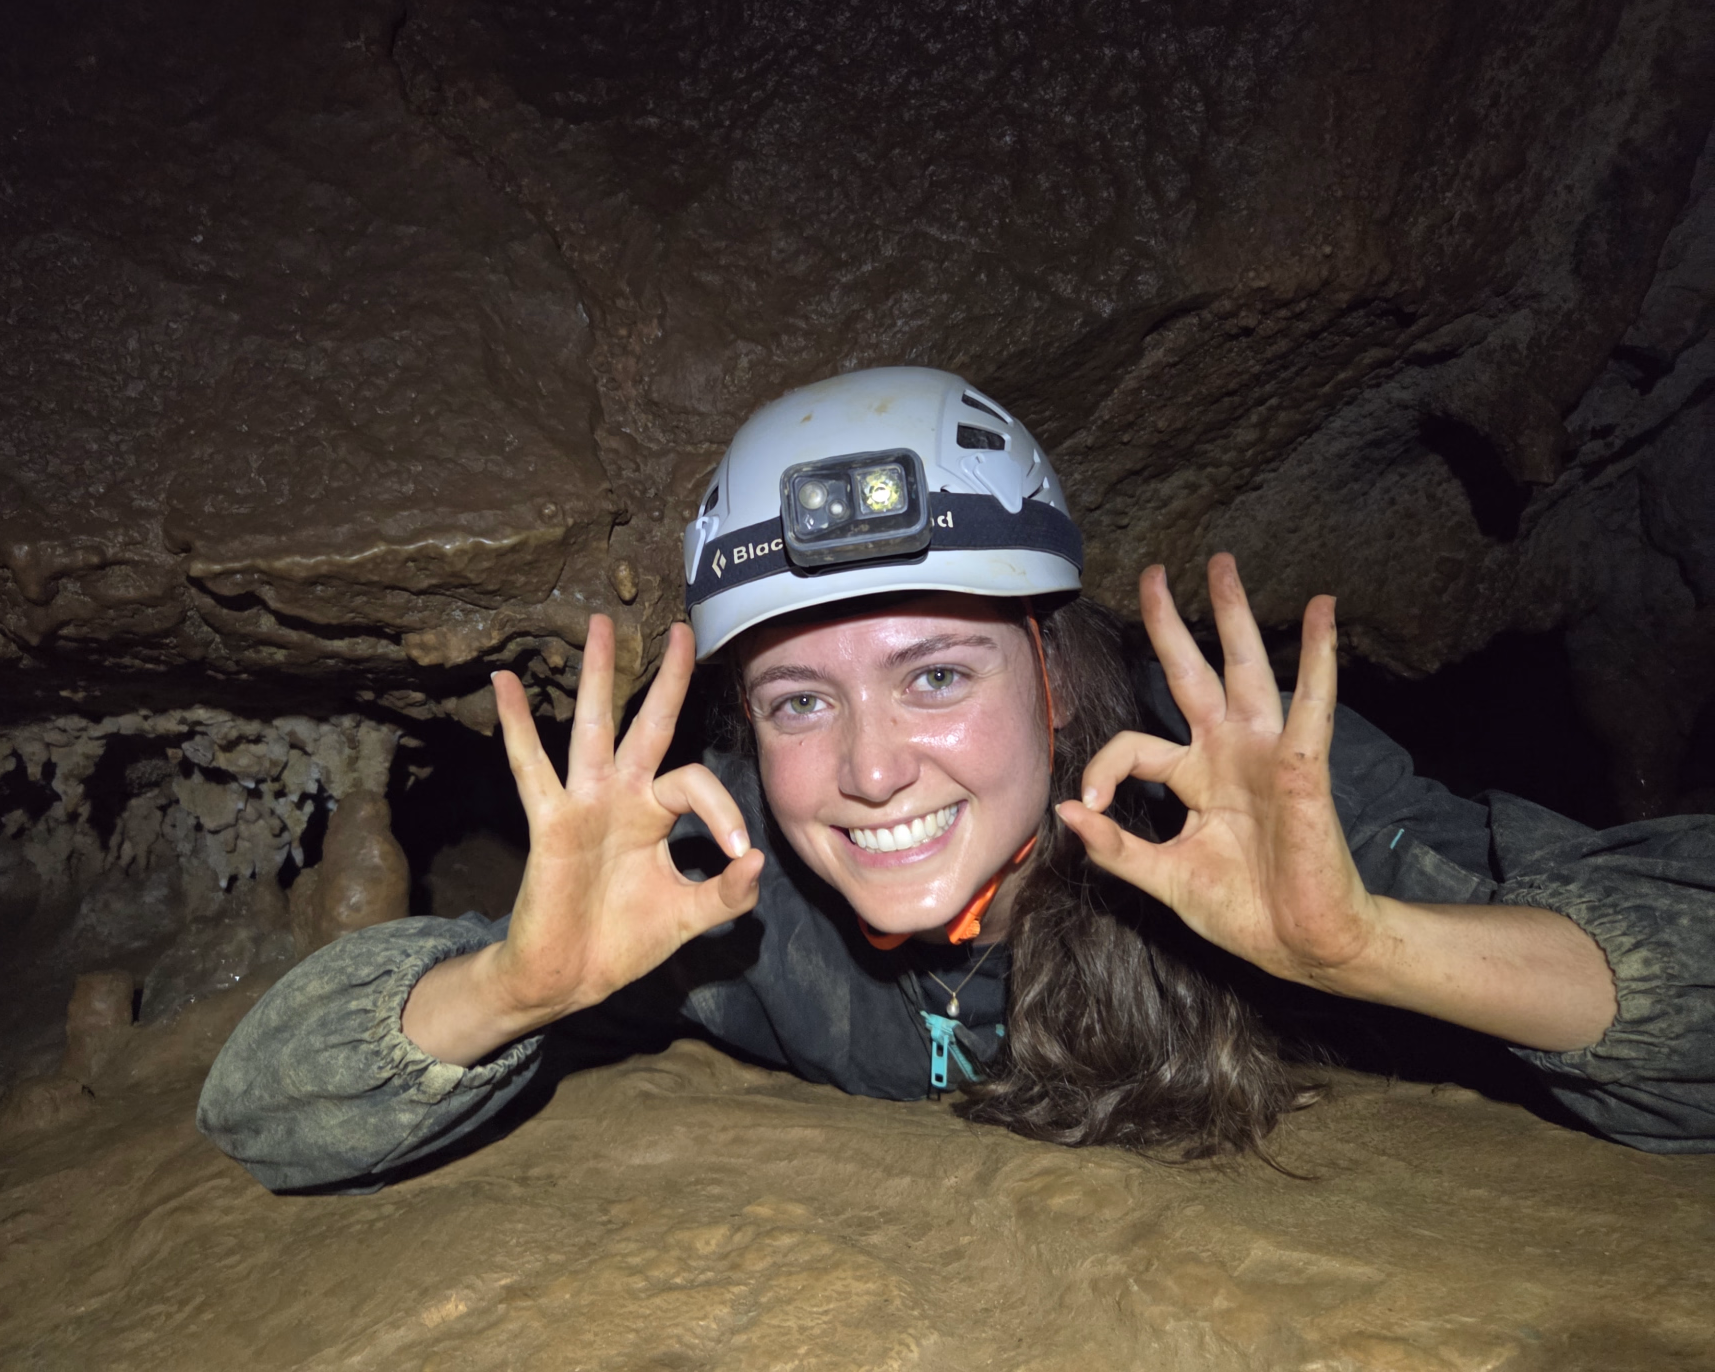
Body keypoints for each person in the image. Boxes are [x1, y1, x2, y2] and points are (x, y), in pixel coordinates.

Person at [198, 367, 1715, 1192]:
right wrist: (513, 992)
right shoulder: (723, 888)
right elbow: (260, 1115)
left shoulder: (1222, 814)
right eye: (800, 699)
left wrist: (1368, 947)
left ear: (1055, 678)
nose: (867, 770)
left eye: (939, 675)